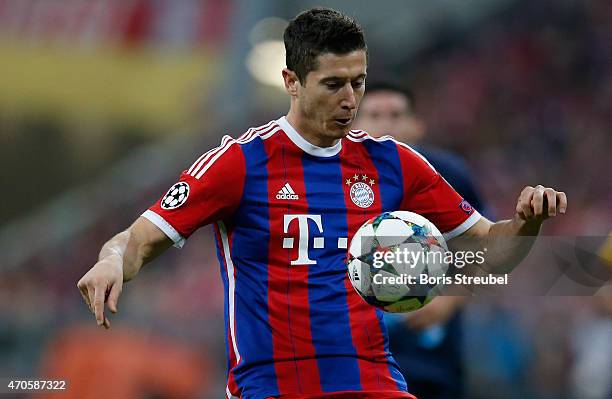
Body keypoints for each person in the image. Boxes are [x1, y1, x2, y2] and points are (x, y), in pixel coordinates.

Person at [77, 8, 567, 399]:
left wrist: (526, 226)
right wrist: (111, 260)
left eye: (358, 82)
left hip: (373, 379)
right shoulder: (240, 163)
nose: (351, 99)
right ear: (292, 81)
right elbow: (139, 239)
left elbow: (489, 250)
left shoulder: (393, 163)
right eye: (334, 84)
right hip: (272, 385)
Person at [354, 80, 488, 399]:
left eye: (396, 115)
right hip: (357, 355)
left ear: (417, 125)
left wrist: (452, 297)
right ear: (355, 125)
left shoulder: (449, 175)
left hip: (431, 355)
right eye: (374, 115)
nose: (386, 125)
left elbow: (488, 245)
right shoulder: (332, 176)